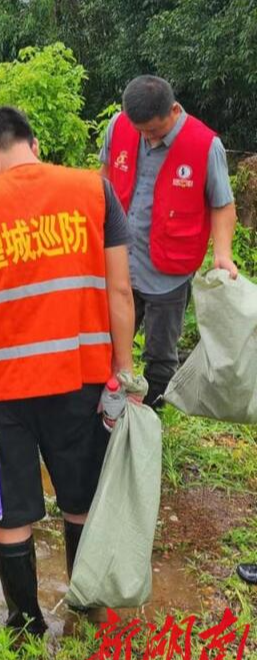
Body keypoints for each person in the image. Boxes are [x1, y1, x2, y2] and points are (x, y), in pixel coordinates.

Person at [0, 107, 136, 635]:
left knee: (12, 510)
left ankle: (25, 622)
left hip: (6, 387)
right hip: (81, 377)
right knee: (79, 500)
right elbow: (120, 289)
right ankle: (84, 605)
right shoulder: (94, 192)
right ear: (31, 141)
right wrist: (125, 371)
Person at [101, 75, 239, 409]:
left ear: (174, 110)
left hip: (168, 270)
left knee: (160, 355)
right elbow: (104, 178)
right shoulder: (119, 126)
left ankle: (149, 419)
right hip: (119, 263)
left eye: (155, 131)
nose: (148, 138)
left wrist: (223, 253)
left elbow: (222, 203)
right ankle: (107, 413)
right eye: (141, 131)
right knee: (106, 343)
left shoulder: (205, 145)